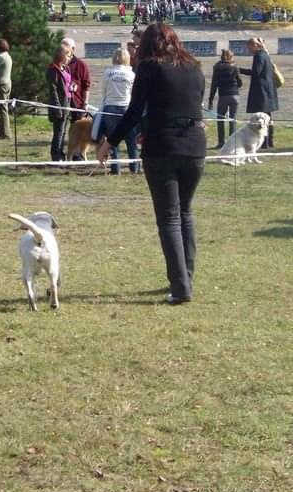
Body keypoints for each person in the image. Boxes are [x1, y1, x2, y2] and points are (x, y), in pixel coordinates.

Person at [96, 23, 206, 304]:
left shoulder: (148, 68)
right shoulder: (194, 67)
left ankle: (181, 288)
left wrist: (110, 141)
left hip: (162, 146)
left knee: (169, 217)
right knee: (185, 213)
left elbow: (134, 112)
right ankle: (186, 278)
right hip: (194, 145)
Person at [100, 47, 140, 175]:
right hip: (126, 108)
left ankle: (115, 169)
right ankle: (135, 167)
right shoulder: (131, 74)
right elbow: (134, 94)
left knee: (112, 140)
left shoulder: (107, 73)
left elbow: (103, 92)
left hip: (110, 107)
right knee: (131, 140)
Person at [239, 37, 278, 148]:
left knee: (261, 117)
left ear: (255, 45)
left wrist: (240, 70)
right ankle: (270, 141)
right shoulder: (265, 55)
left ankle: (264, 143)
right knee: (268, 117)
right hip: (268, 90)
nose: (249, 50)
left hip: (262, 92)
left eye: (249, 47)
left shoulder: (259, 56)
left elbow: (256, 72)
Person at [208, 49, 242, 148]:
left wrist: (210, 100)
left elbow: (214, 85)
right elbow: (240, 83)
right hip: (235, 95)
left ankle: (221, 142)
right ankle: (232, 143)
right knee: (233, 119)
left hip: (223, 96)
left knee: (220, 119)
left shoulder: (217, 67)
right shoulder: (235, 66)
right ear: (231, 57)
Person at [46, 44, 72, 162]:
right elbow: (53, 90)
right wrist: (57, 108)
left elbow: (66, 83)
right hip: (59, 104)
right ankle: (56, 156)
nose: (69, 58)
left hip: (67, 101)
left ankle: (61, 153)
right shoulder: (53, 70)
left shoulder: (65, 68)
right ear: (61, 56)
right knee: (58, 131)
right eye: (67, 55)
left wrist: (72, 87)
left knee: (63, 131)